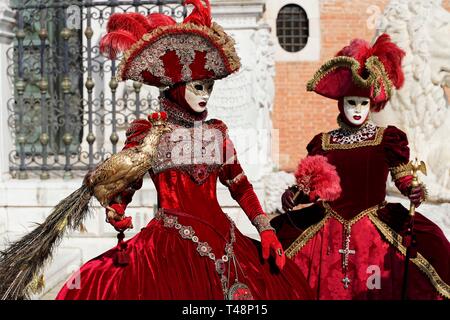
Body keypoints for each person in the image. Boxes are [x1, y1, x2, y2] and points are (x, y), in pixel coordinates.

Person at [56, 0, 313, 300]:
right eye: (197, 87)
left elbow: (240, 185)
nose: (205, 95)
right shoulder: (150, 133)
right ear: (177, 86)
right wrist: (118, 209)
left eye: (209, 87)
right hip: (170, 245)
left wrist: (265, 228)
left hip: (225, 241)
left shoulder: (217, 134)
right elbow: (127, 180)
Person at [271, 34, 450, 300]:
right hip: (326, 233)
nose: (357, 109)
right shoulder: (324, 143)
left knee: (419, 255)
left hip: (373, 230)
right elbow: (310, 188)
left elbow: (404, 181)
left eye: (363, 103)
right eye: (351, 103)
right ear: (341, 103)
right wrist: (292, 196)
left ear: (371, 104)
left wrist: (415, 191)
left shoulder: (386, 139)